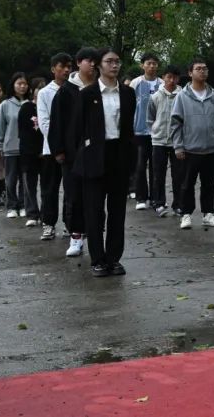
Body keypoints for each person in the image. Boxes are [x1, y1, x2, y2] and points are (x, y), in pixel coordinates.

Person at [71, 47, 136, 277]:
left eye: (117, 61)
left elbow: (129, 129)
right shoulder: (87, 94)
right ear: (99, 65)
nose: (114, 65)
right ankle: (98, 259)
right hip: (94, 157)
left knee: (118, 211)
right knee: (94, 211)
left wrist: (131, 159)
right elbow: (77, 129)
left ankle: (114, 258)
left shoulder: (128, 93)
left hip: (119, 155)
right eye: (109, 61)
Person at [49, 47, 98, 257]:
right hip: (72, 154)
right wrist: (58, 150)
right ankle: (75, 236)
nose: (93, 64)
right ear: (79, 63)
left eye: (95, 61)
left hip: (97, 152)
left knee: (95, 198)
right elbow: (56, 123)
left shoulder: (100, 88)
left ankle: (95, 236)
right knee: (74, 196)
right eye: (88, 60)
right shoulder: (66, 92)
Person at [170, 57, 214, 230]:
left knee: (209, 183)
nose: (202, 71)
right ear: (190, 73)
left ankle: (208, 213)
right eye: (198, 68)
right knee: (187, 184)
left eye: (205, 68)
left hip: (211, 148)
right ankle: (186, 214)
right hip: (189, 149)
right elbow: (176, 123)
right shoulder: (182, 96)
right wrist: (178, 146)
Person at [37, 53, 73, 240]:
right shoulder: (44, 93)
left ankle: (70, 223)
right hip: (50, 149)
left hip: (71, 149)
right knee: (49, 188)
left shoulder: (74, 90)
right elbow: (44, 123)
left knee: (70, 189)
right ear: (53, 69)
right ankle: (48, 223)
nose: (66, 70)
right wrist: (58, 142)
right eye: (62, 66)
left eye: (69, 67)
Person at [146, 64, 182, 217]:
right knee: (158, 174)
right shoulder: (155, 96)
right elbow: (150, 118)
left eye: (175, 77)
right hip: (159, 141)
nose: (172, 80)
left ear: (178, 79)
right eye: (169, 77)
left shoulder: (183, 96)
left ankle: (178, 205)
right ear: (163, 78)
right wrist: (155, 131)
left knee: (178, 175)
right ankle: (159, 203)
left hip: (177, 141)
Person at [129, 53, 161, 210]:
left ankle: (156, 198)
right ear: (142, 65)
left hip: (158, 132)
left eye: (154, 63)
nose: (152, 66)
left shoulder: (162, 84)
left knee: (156, 166)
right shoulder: (135, 83)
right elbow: (128, 105)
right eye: (148, 63)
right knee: (140, 165)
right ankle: (141, 197)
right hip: (139, 131)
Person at [0, 73, 29, 219]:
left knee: (25, 180)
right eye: (19, 83)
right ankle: (11, 206)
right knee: (10, 180)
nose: (22, 86)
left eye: (24, 84)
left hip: (26, 148)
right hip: (10, 147)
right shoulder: (6, 104)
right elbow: (1, 127)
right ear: (13, 85)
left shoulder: (30, 103)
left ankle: (23, 205)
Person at [17, 77, 48, 227]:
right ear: (32, 90)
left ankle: (45, 214)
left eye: (44, 87)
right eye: (38, 87)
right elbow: (23, 133)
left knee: (46, 186)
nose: (41, 90)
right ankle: (32, 213)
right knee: (30, 185)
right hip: (29, 154)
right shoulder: (26, 108)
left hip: (46, 152)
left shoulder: (49, 106)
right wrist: (34, 151)